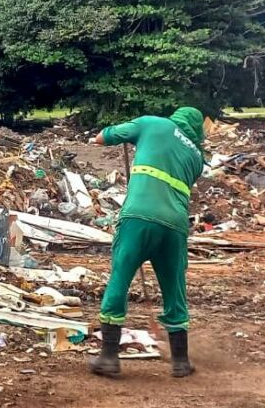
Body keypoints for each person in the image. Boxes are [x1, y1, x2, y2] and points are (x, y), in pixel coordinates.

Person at [89, 107, 206, 378]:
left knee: (119, 279)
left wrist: (130, 136)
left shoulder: (151, 123)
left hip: (139, 217)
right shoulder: (196, 157)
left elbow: (101, 137)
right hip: (175, 226)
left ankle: (108, 357)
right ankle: (180, 362)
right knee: (174, 289)